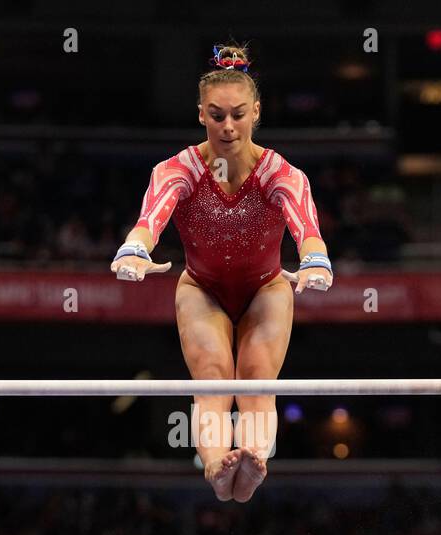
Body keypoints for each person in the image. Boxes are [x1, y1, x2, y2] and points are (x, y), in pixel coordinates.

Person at [111, 42, 332, 502]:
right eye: (216, 115)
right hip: (202, 288)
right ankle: (216, 466)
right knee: (212, 376)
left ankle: (252, 460)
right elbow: (150, 219)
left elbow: (307, 229)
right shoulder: (178, 169)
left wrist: (315, 262)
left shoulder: (280, 173)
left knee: (256, 376)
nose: (227, 126)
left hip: (266, 287)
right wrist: (134, 249)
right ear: (200, 115)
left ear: (256, 112)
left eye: (237, 114)